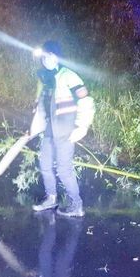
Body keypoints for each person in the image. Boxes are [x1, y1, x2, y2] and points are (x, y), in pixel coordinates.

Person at [29, 41, 95, 217]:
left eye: (49, 55)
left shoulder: (69, 76)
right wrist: (34, 125)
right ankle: (51, 198)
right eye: (43, 56)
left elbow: (86, 100)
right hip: (50, 130)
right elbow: (41, 104)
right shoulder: (44, 78)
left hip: (66, 130)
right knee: (44, 164)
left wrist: (82, 126)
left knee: (64, 169)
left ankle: (77, 205)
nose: (46, 59)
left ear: (56, 56)